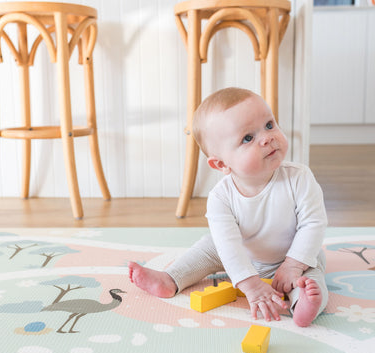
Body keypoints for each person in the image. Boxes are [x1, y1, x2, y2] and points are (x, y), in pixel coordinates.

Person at [129, 87, 328, 327]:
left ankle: (304, 303)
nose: (267, 138)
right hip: (242, 252)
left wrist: (294, 265)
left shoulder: (299, 178)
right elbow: (229, 247)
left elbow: (313, 224)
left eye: (269, 124)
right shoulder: (220, 198)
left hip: (293, 253)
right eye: (248, 138)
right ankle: (171, 279)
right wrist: (250, 284)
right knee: (209, 247)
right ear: (221, 164)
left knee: (311, 275)